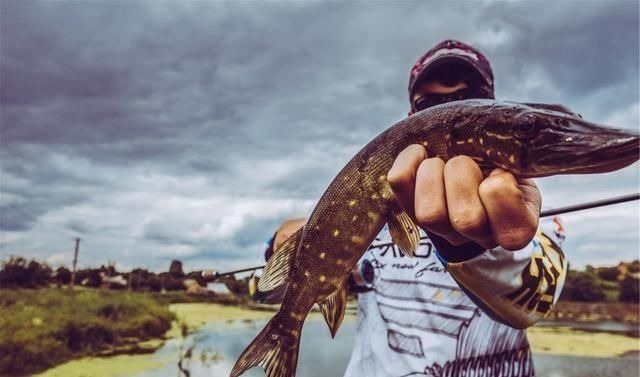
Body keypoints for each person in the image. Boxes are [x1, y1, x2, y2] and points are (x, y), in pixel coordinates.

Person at [262, 39, 567, 377]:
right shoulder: (368, 211)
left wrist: (466, 245)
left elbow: (536, 300)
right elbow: (278, 291)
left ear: (492, 108)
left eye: (467, 99)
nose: (450, 113)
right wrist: (280, 247)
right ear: (412, 117)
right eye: (432, 103)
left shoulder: (529, 207)